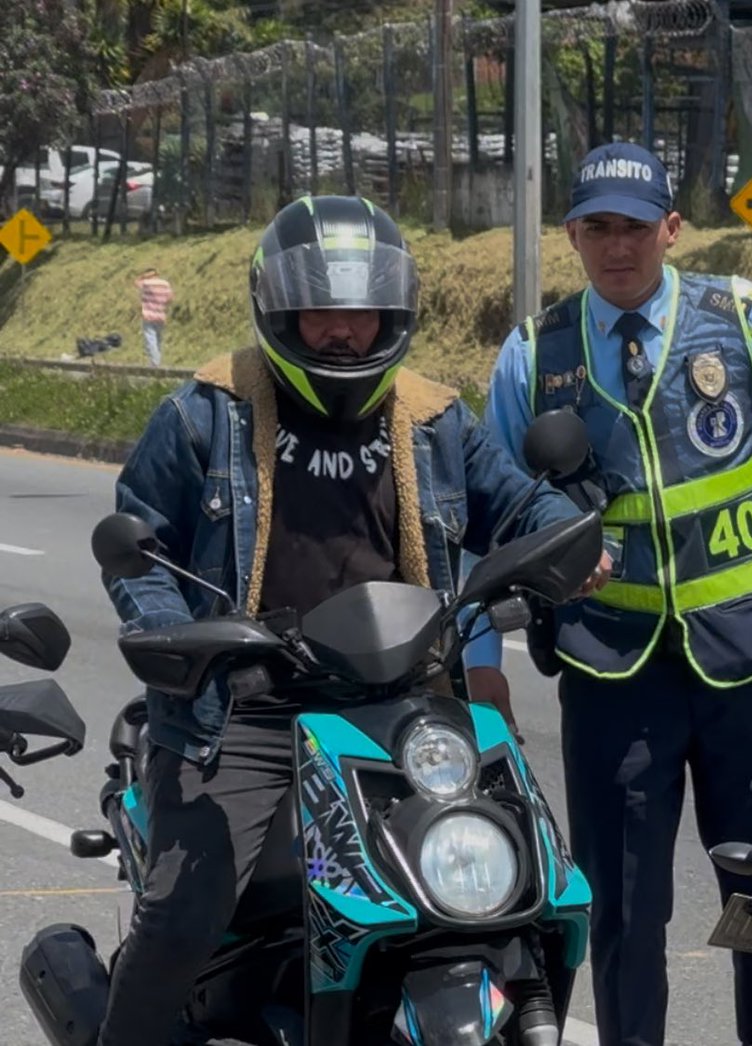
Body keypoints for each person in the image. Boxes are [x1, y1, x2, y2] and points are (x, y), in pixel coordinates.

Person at [98, 195, 601, 1046]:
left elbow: (517, 506)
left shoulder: (434, 418)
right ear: (281, 308)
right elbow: (138, 544)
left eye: (361, 310)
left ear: (391, 312)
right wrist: (174, 640)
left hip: (404, 700)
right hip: (249, 707)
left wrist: (567, 540)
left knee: (530, 886)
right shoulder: (206, 411)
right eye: (322, 309)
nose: (343, 331)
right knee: (189, 904)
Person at [482, 142, 752, 1046]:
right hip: (612, 672)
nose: (617, 246)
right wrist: (482, 661)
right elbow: (485, 517)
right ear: (573, 235)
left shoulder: (741, 319)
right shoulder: (533, 355)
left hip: (751, 662)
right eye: (598, 227)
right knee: (626, 913)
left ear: (672, 229)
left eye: (635, 227)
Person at [133, 267, 173, 366]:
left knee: (151, 340)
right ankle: (157, 361)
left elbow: (136, 282)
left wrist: (143, 276)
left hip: (148, 315)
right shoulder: (165, 284)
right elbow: (170, 298)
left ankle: (155, 364)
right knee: (158, 340)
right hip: (161, 315)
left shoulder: (146, 283)